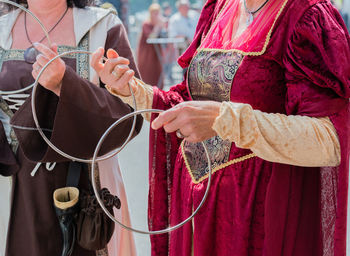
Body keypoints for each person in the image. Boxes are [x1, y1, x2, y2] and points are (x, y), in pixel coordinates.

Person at [89, 0, 350, 255]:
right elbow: (190, 103)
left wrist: (225, 120)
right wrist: (131, 90)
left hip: (255, 215)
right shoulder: (219, 8)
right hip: (194, 209)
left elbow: (329, 140)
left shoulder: (306, 14)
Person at [0, 0, 142, 255]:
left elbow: (131, 115)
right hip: (17, 181)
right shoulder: (2, 26)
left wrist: (65, 84)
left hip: (87, 182)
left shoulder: (103, 25)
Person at [137, 3, 166, 89]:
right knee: (147, 73)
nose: (157, 15)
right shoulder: (146, 23)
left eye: (158, 13)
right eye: (154, 13)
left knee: (157, 71)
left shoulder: (159, 24)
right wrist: (158, 26)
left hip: (156, 52)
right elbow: (151, 36)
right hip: (147, 53)